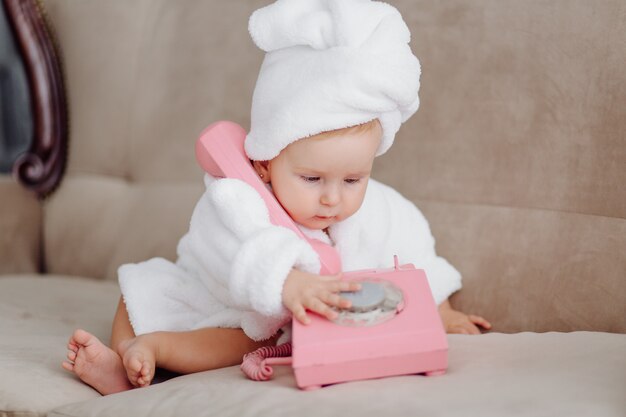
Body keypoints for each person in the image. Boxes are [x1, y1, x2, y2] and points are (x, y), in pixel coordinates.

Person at [62, 0, 491, 396]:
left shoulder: (378, 209)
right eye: (312, 178)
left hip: (253, 324)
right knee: (137, 291)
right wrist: (286, 280)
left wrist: (442, 307)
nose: (331, 199)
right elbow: (222, 244)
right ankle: (125, 360)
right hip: (213, 291)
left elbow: (412, 248)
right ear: (265, 162)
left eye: (353, 179)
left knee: (256, 335)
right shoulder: (236, 199)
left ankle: (158, 350)